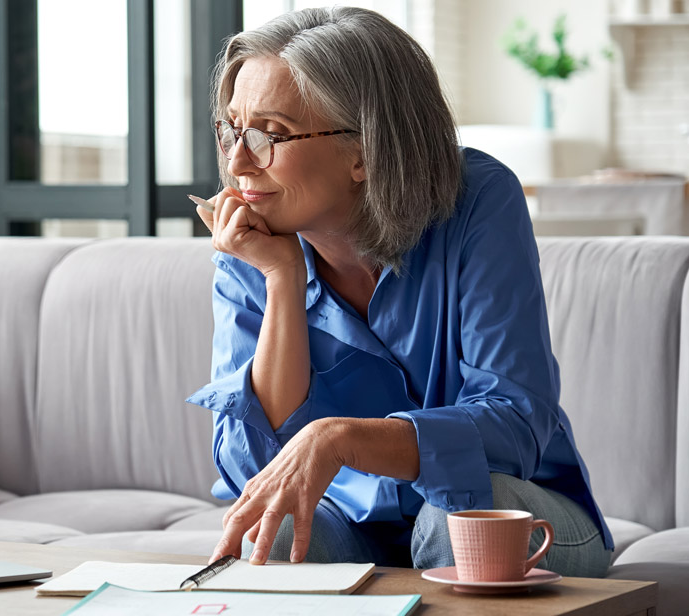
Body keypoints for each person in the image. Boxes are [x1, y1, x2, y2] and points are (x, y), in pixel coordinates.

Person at [186, 6, 613, 577]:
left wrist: (341, 439)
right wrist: (282, 280)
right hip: (352, 523)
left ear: (364, 150)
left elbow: (515, 424)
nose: (238, 162)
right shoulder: (253, 241)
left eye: (271, 134)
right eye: (231, 129)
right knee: (278, 529)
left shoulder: (479, 201)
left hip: (517, 510)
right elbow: (255, 469)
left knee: (455, 518)